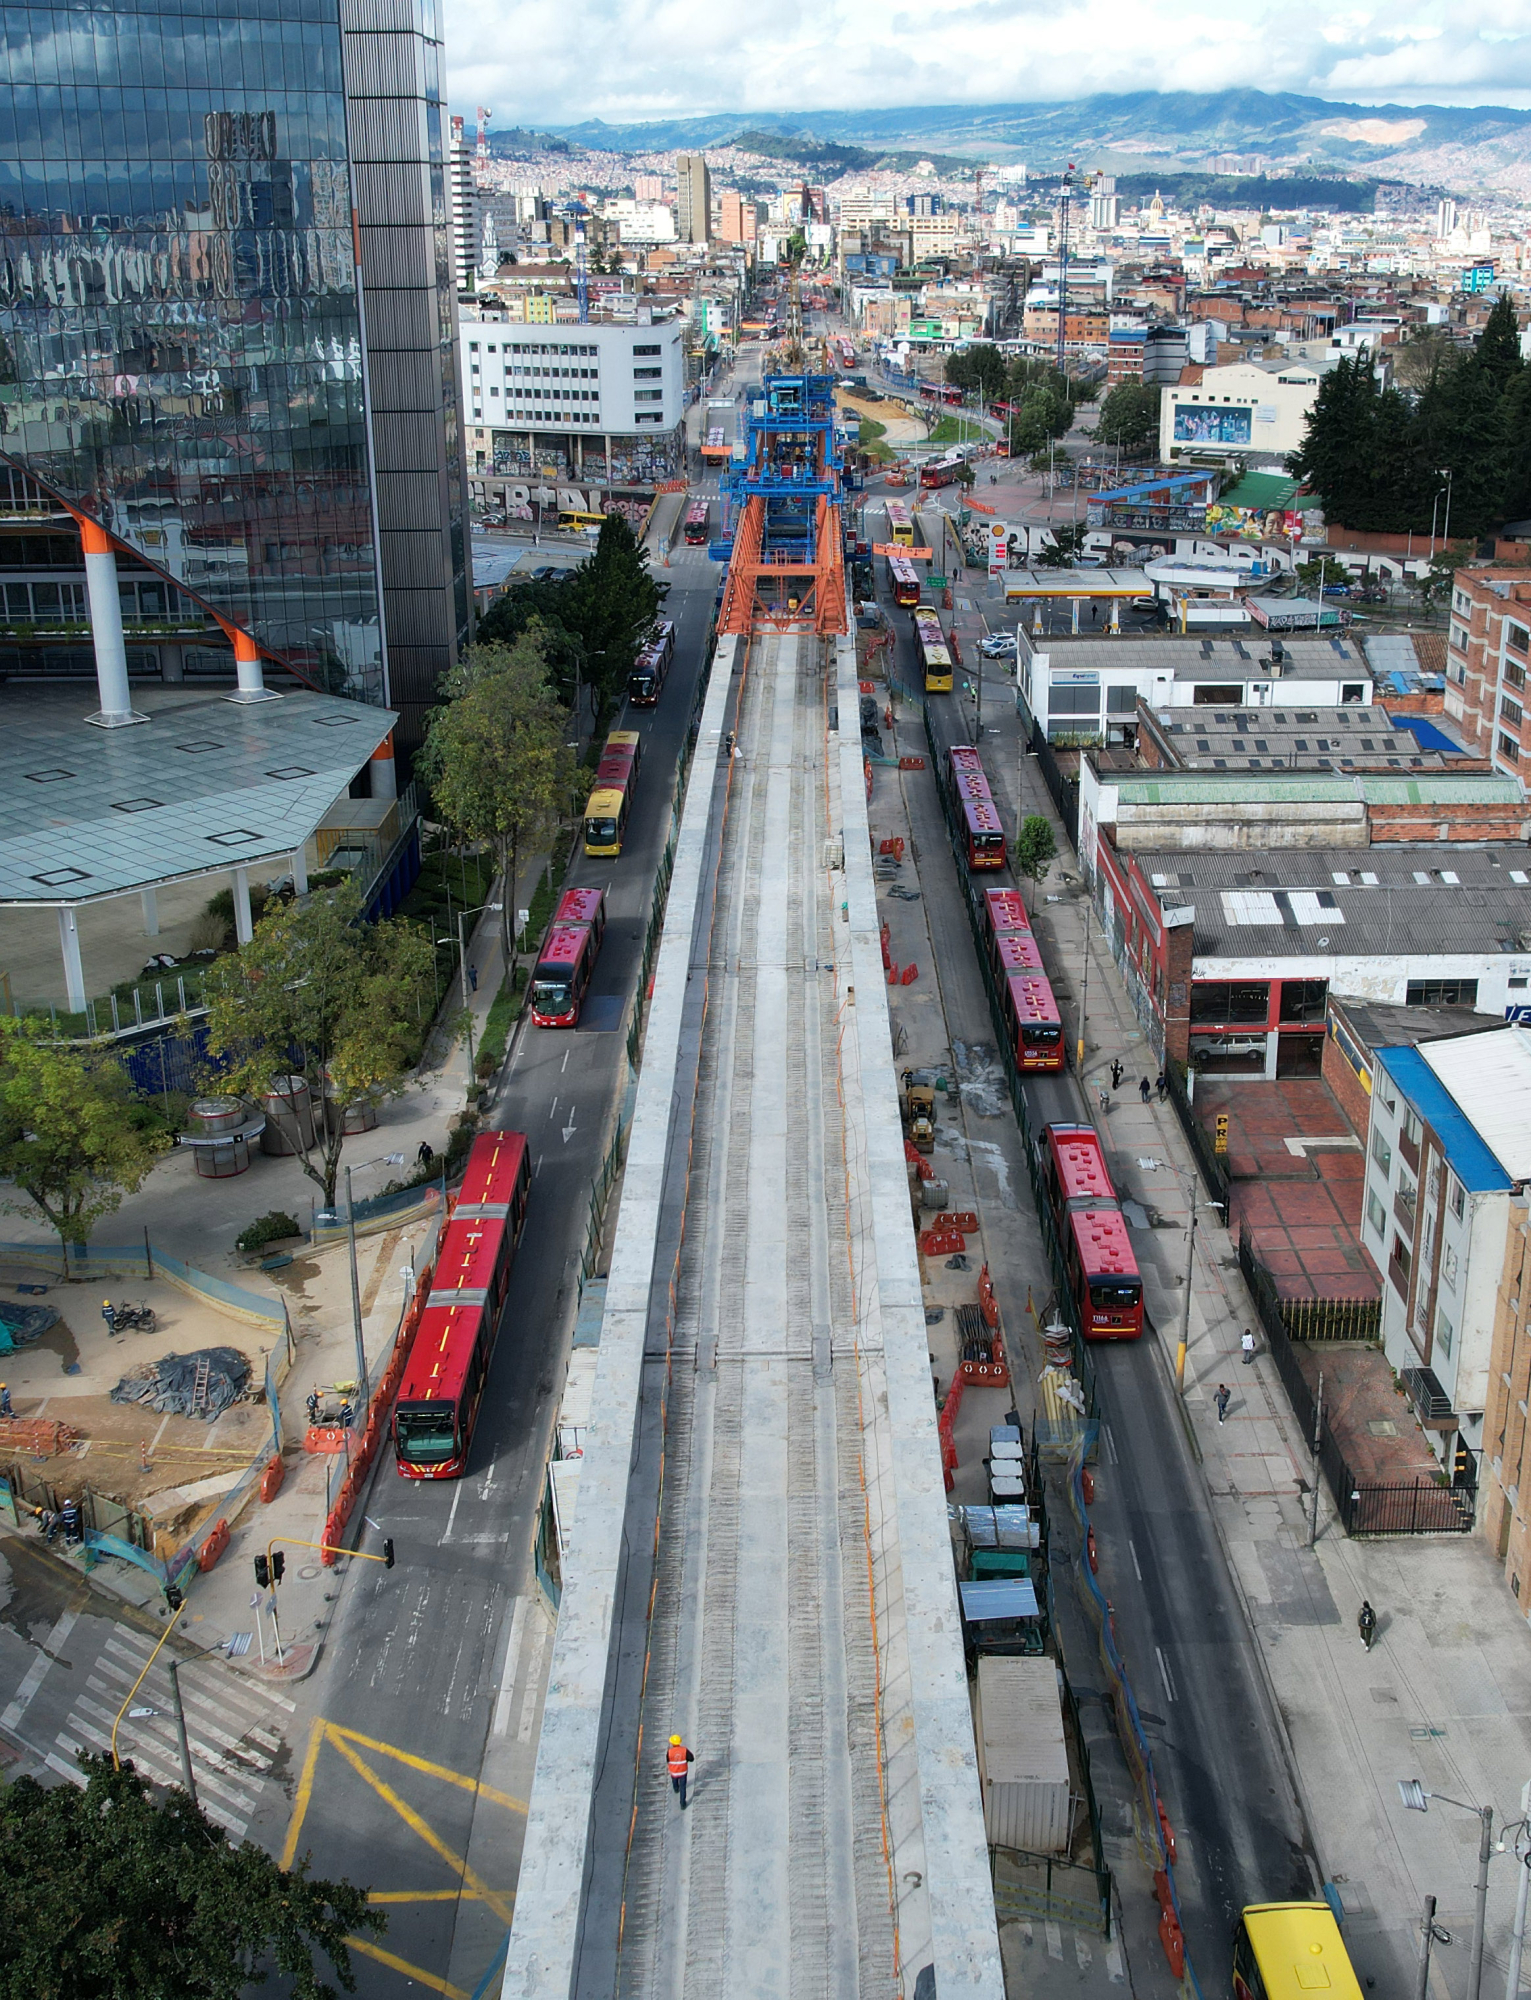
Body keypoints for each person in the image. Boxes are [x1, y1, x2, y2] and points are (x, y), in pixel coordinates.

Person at [667, 1734, 694, 1809]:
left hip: (673, 1771)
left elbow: (668, 1760)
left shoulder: (669, 1752)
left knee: (674, 1780)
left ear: (672, 1743)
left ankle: (676, 1788)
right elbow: (691, 1758)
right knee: (683, 1787)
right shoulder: (684, 1750)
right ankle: (682, 1803)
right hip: (683, 1771)